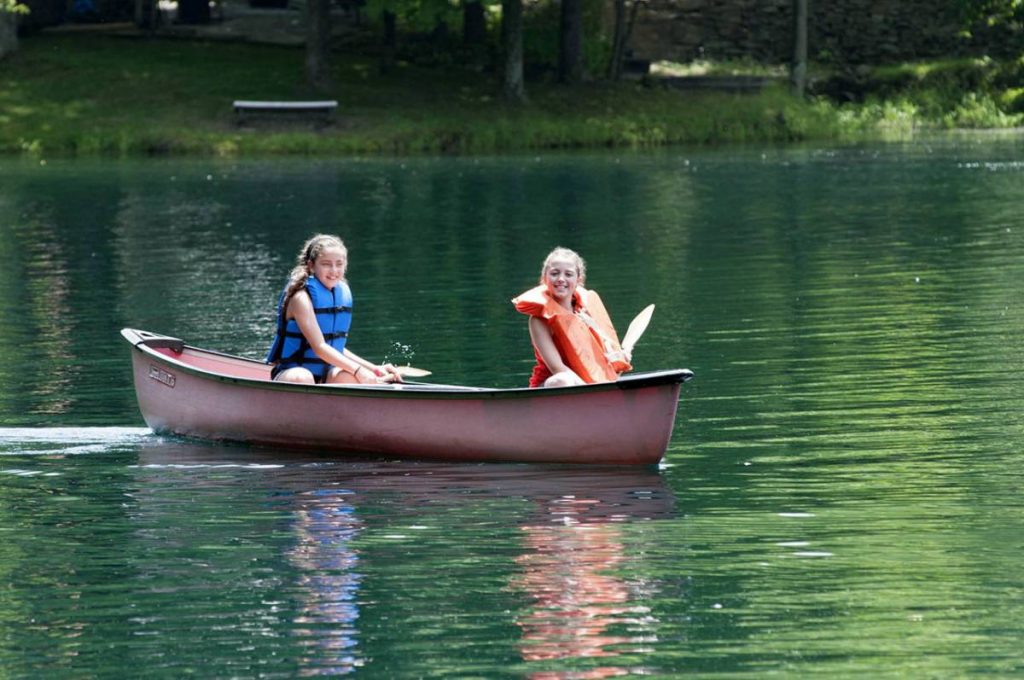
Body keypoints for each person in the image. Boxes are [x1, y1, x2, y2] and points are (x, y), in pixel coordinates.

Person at [266, 234, 402, 385]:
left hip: (325, 374)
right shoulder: (301, 298)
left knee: (347, 376)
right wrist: (359, 370)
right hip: (292, 373)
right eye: (326, 264)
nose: (334, 270)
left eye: (339, 264)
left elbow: (335, 347)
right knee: (303, 377)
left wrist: (374, 369)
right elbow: (319, 347)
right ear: (311, 265)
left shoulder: (339, 294)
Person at [512, 247, 632, 388]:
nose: (561, 279)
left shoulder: (586, 314)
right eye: (555, 273)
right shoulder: (538, 321)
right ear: (544, 278)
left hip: (588, 387)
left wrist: (619, 359)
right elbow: (557, 368)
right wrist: (593, 394)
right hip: (553, 385)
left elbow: (603, 365)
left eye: (568, 274)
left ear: (578, 280)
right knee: (562, 380)